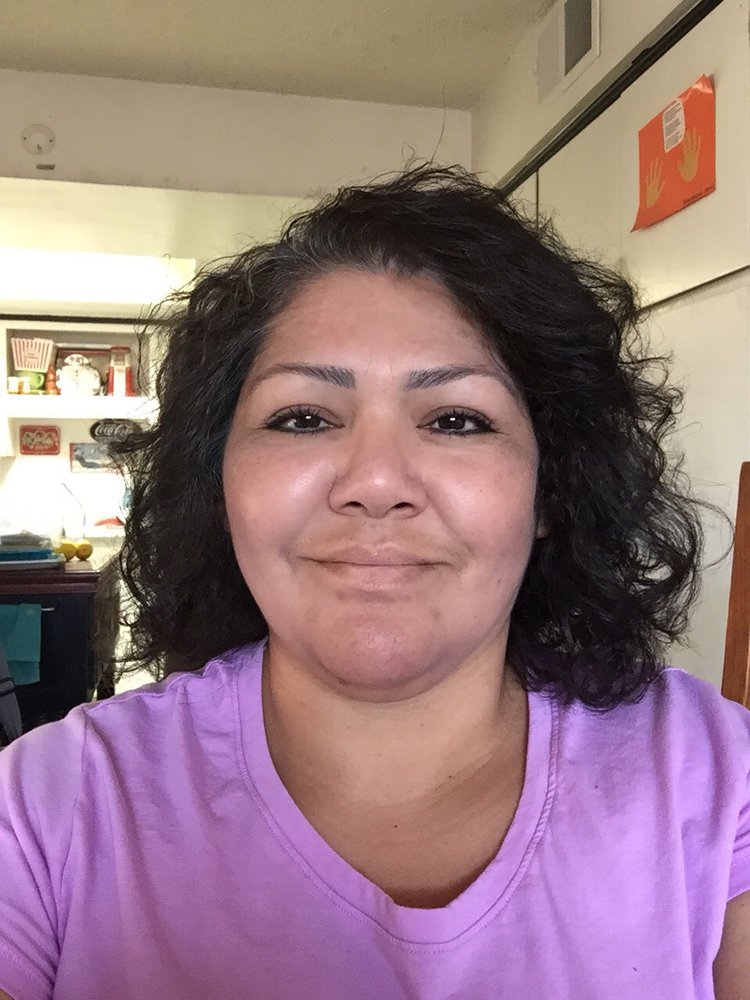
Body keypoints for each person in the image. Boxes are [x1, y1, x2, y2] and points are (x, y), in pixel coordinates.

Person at [0, 165, 748, 999]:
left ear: (551, 488)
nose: (377, 481)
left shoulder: (714, 775)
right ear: (219, 487)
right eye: (303, 418)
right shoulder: (49, 808)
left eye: (457, 419)